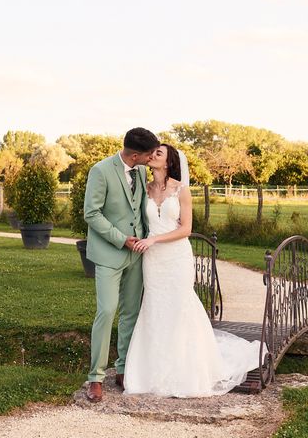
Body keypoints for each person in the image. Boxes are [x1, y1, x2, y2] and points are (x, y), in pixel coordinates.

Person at [123, 143, 265, 397]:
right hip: (152, 261)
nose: (152, 155)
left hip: (176, 257)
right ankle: (152, 372)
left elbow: (185, 229)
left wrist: (154, 239)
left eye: (158, 153)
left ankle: (186, 370)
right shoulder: (144, 189)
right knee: (155, 308)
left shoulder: (181, 190)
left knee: (180, 307)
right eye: (152, 152)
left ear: (168, 162)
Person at [83, 127, 160, 403]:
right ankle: (95, 377)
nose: (153, 158)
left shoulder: (140, 171)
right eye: (150, 154)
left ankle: (124, 368)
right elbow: (91, 213)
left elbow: (140, 209)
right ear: (136, 154)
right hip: (109, 253)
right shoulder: (100, 171)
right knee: (106, 311)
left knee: (130, 313)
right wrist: (120, 239)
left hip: (137, 254)